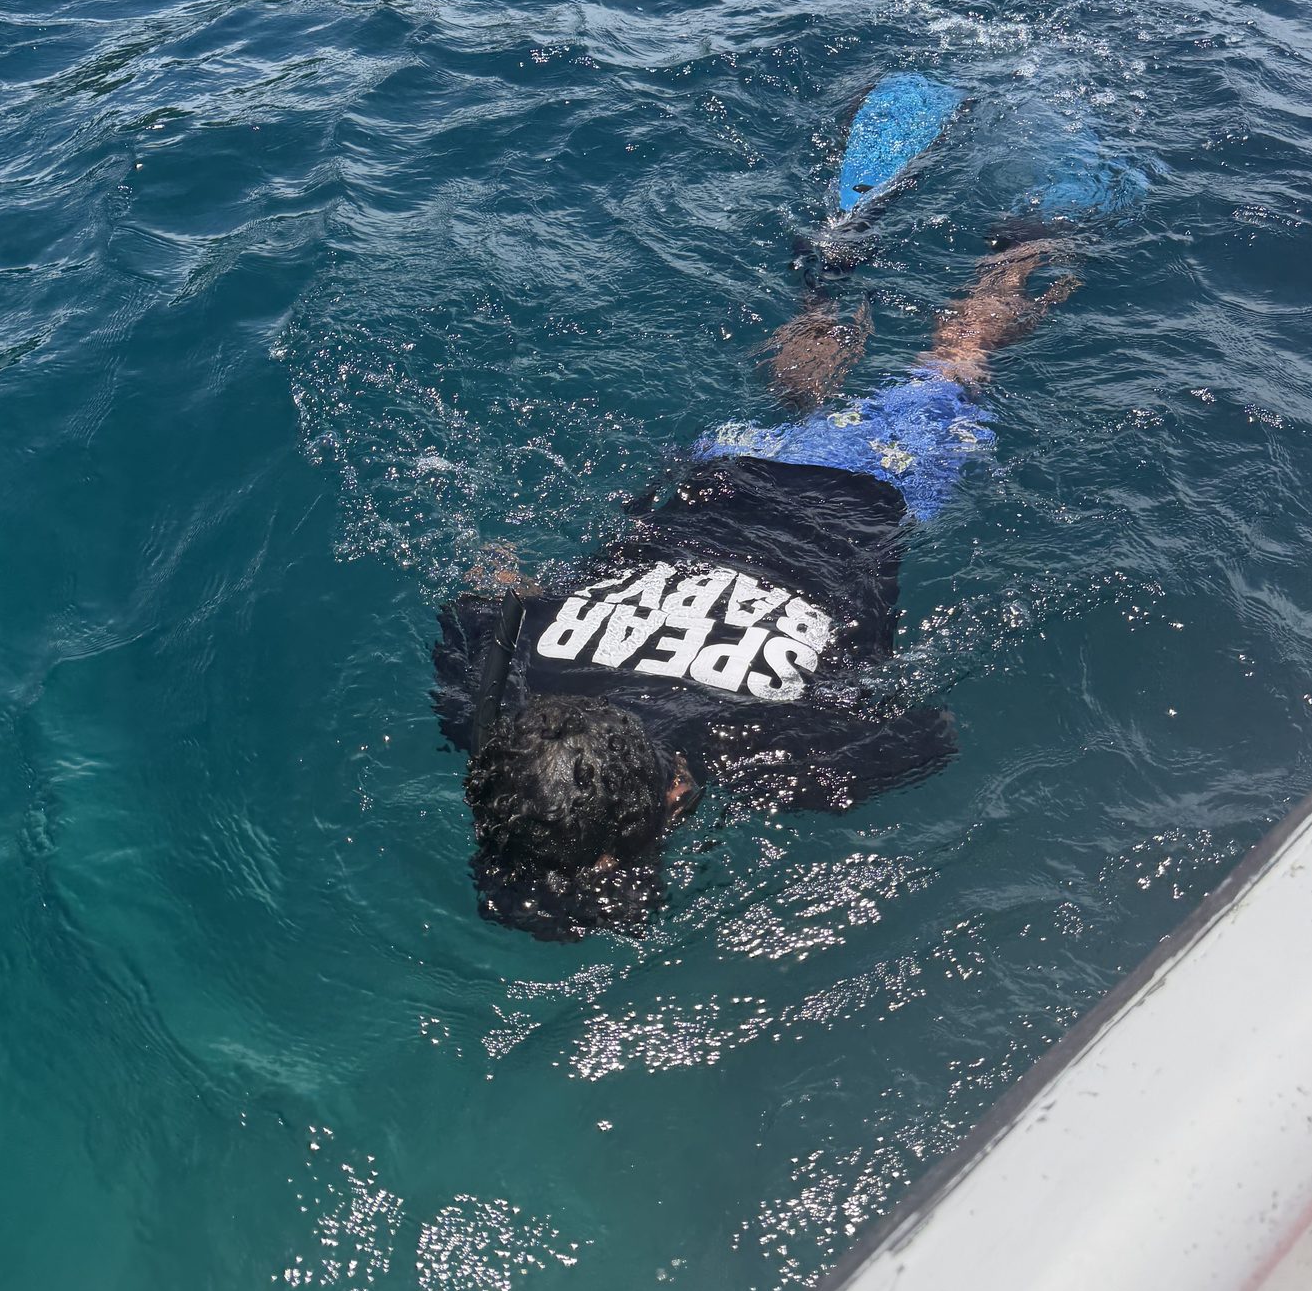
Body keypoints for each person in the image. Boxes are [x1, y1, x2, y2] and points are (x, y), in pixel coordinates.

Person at [433, 234, 1080, 937]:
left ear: (674, 793)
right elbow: (494, 580)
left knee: (958, 359)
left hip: (862, 493)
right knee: (804, 405)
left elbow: (929, 734)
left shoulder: (779, 758)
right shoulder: (498, 697)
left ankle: (1028, 242)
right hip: (720, 476)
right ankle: (823, 277)